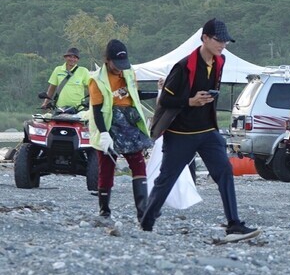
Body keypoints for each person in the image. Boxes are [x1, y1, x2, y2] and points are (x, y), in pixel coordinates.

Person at [140, 19, 259, 238]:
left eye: (225, 41)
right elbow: (165, 100)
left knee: (224, 171)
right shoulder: (184, 66)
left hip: (207, 131)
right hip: (180, 134)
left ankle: (233, 223)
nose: (222, 44)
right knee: (167, 178)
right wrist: (190, 101)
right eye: (218, 40)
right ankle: (146, 222)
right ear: (204, 38)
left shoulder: (219, 62)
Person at [88, 39, 152, 220]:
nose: (120, 68)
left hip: (129, 122)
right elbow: (98, 110)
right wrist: (104, 133)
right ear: (107, 60)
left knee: (138, 162)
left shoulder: (129, 72)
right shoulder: (96, 80)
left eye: (123, 65)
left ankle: (143, 211)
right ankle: (104, 210)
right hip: (108, 123)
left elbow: (134, 95)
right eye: (116, 64)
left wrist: (158, 92)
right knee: (107, 167)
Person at [43, 47, 91, 111]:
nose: (72, 59)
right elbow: (51, 89)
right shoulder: (58, 70)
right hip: (59, 109)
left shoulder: (83, 71)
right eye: (70, 57)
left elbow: (91, 89)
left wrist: (93, 104)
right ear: (65, 57)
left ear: (78, 59)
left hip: (78, 109)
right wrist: (45, 102)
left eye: (75, 57)